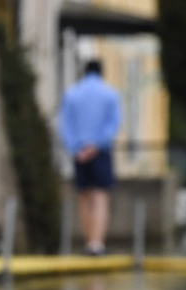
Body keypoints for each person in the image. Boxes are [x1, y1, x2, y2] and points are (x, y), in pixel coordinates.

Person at [59, 59, 122, 256]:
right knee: (100, 196)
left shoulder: (72, 94)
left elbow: (64, 124)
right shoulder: (110, 94)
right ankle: (97, 243)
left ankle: (88, 242)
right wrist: (95, 145)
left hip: (78, 152)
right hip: (100, 151)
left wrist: (76, 148)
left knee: (84, 196)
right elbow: (114, 123)